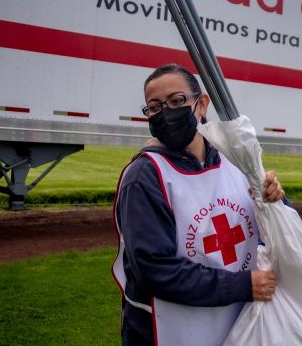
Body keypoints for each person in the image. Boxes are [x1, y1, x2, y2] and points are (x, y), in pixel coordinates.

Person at [111, 64, 286, 346]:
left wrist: (275, 199)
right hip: (163, 332)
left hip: (236, 326)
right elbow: (155, 269)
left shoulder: (235, 161)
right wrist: (244, 285)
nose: (166, 113)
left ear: (201, 104)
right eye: (154, 107)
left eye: (176, 101)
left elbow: (275, 232)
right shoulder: (144, 177)